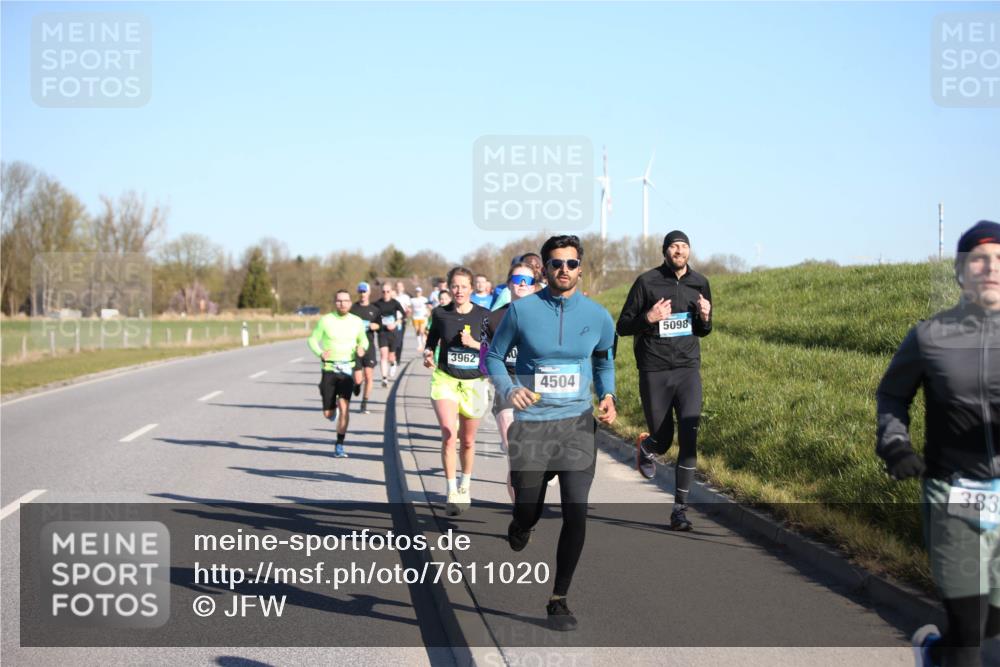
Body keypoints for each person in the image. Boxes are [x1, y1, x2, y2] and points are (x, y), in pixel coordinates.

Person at [877, 220, 1000, 667]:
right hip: (954, 495)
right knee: (970, 637)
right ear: (961, 272)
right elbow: (892, 393)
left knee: (991, 630)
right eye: (979, 260)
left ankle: (934, 652)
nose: (990, 268)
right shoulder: (931, 336)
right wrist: (895, 443)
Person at [486, 235, 617, 632]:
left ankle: (558, 599)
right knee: (529, 509)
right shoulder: (522, 311)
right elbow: (493, 355)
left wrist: (608, 393)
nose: (565, 269)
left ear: (581, 268)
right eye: (557, 263)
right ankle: (521, 522)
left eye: (572, 263)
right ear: (544, 268)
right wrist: (509, 389)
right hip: (533, 427)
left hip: (577, 425)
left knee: (576, 510)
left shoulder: (597, 315)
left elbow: (603, 360)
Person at [615, 230, 712, 531]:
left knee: (689, 437)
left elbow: (702, 330)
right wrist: (649, 318)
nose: (679, 251)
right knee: (664, 439)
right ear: (665, 251)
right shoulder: (647, 282)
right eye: (673, 246)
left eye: (683, 246)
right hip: (654, 369)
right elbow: (623, 326)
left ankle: (679, 510)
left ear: (689, 251)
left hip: (687, 369)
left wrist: (706, 318)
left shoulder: (700, 283)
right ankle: (648, 446)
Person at [423, 267, 491, 516]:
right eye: (455, 286)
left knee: (469, 440)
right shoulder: (440, 314)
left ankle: (465, 485)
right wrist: (428, 354)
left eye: (464, 286)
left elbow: (495, 349)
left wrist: (474, 344)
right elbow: (431, 342)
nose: (459, 290)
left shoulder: (485, 315)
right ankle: (451, 490)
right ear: (449, 288)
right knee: (450, 435)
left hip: (474, 383)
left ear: (472, 288)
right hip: (446, 379)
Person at [480, 260, 542, 501]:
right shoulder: (494, 319)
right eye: (517, 280)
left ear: (535, 286)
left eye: (528, 281)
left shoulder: (546, 316)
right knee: (514, 453)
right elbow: (485, 358)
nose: (522, 285)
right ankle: (521, 511)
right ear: (509, 284)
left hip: (539, 388)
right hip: (507, 387)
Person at [307, 289, 369, 458]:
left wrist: (362, 347)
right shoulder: (326, 320)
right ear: (335, 303)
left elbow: (363, 339)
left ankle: (340, 444)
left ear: (350, 302)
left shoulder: (356, 321)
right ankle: (330, 407)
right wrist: (320, 353)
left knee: (345, 408)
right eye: (339, 301)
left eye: (346, 300)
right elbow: (312, 339)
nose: (342, 303)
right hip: (329, 369)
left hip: (347, 369)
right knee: (328, 413)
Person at [350, 282, 381, 414]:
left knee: (369, 375)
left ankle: (364, 403)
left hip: (369, 346)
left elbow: (381, 326)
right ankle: (356, 385)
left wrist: (377, 326)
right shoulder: (353, 309)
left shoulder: (374, 310)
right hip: (355, 347)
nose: (362, 294)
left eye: (364, 292)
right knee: (358, 378)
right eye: (360, 292)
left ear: (368, 293)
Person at [374, 283, 406, 388]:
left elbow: (404, 315)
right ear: (381, 292)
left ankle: (393, 363)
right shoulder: (377, 304)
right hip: (382, 332)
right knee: (383, 355)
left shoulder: (395, 303)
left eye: (388, 291)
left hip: (393, 333)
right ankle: (384, 378)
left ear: (391, 291)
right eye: (383, 291)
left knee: (391, 356)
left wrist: (395, 323)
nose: (386, 293)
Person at [392, 281, 412, 377]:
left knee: (399, 340)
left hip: (401, 320)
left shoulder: (406, 297)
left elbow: (408, 309)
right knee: (393, 339)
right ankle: (392, 357)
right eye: (397, 286)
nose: (399, 288)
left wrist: (407, 314)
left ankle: (397, 358)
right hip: (392, 321)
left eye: (400, 286)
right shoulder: (393, 296)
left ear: (403, 288)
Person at [411, 285, 430, 351]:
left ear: (421, 292)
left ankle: (424, 343)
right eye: (416, 292)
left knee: (422, 331)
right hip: (415, 317)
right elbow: (411, 308)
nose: (417, 293)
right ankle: (420, 345)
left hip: (423, 317)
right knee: (417, 331)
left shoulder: (424, 299)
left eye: (419, 292)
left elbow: (428, 307)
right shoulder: (412, 300)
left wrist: (428, 313)